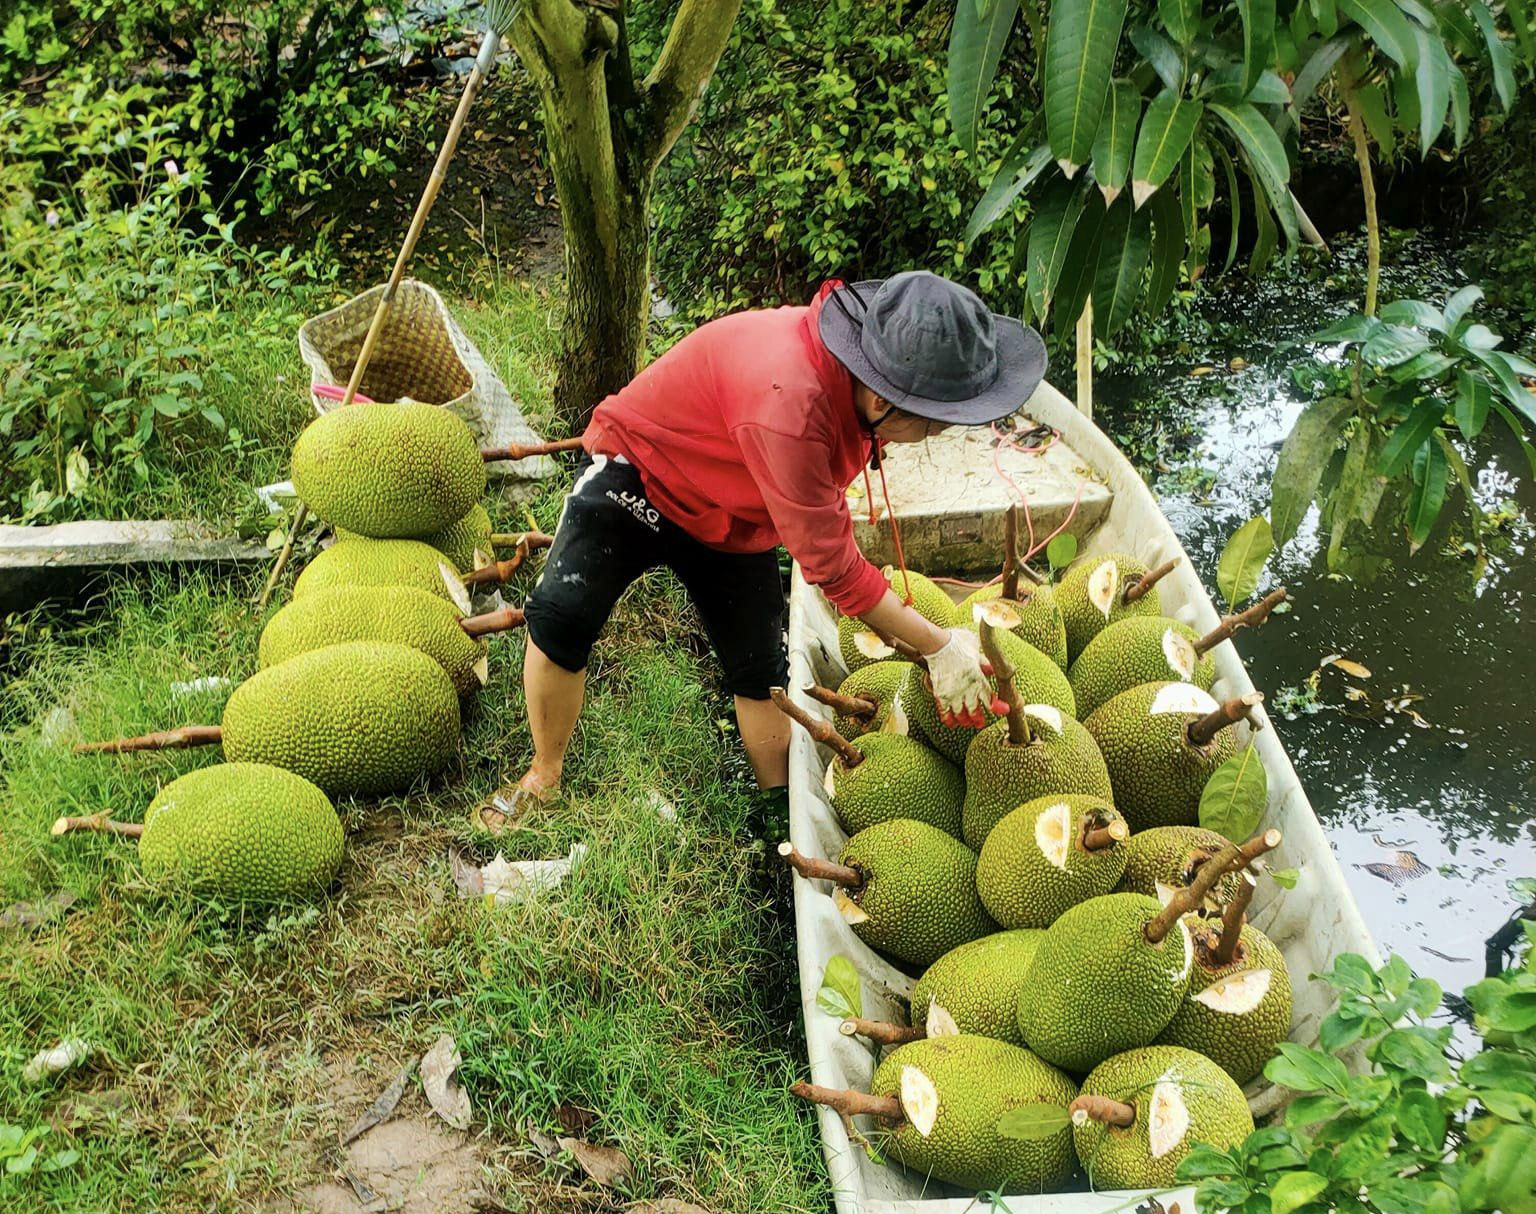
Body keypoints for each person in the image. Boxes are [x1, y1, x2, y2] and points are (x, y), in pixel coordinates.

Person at [478, 270, 1047, 829]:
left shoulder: (851, 385)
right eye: (933, 425)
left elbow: (823, 527)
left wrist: (928, 646)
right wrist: (939, 646)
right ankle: (543, 774)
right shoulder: (791, 407)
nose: (937, 436)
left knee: (760, 672)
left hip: (739, 507)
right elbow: (837, 572)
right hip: (643, 470)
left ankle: (780, 809)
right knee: (561, 617)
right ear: (880, 398)